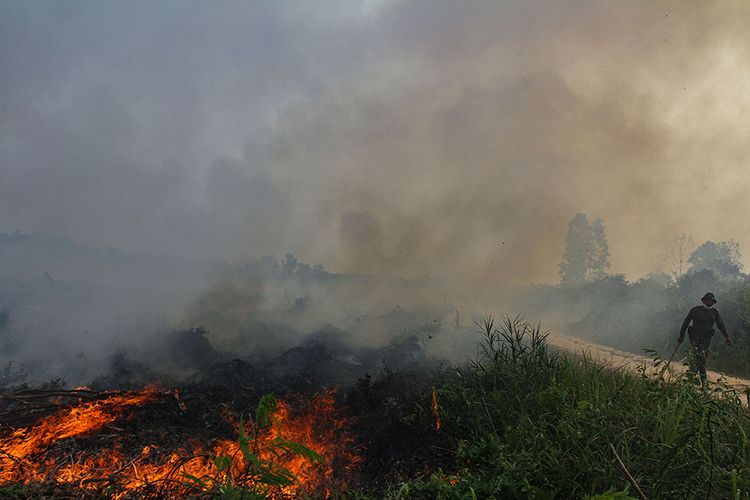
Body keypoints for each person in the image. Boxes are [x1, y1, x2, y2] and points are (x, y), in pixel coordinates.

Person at [678, 292, 731, 385]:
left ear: (713, 302)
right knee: (700, 358)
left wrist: (727, 336)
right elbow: (685, 323)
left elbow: (721, 325)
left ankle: (691, 380)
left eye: (711, 301)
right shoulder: (695, 310)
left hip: (707, 340)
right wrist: (681, 336)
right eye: (707, 300)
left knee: (699, 359)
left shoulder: (714, 312)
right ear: (704, 301)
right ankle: (704, 384)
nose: (709, 302)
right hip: (695, 337)